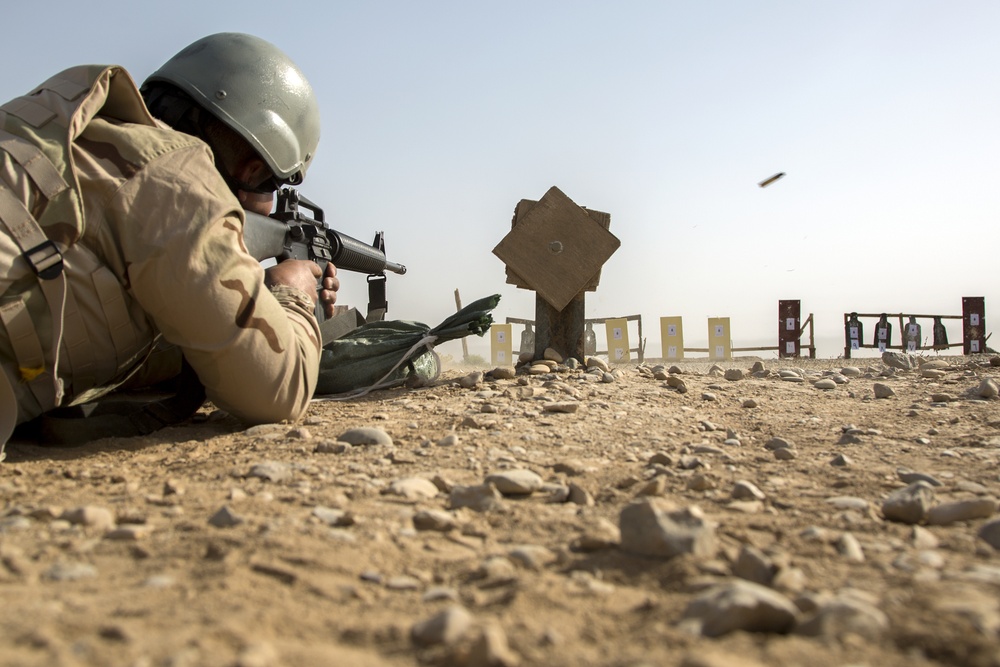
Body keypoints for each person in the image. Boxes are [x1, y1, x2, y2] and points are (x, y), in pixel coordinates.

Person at [0, 33, 339, 453]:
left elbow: (100, 318)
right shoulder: (183, 182)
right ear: (252, 170)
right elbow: (275, 393)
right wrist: (291, 294)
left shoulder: (61, 121)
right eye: (272, 186)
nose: (268, 210)